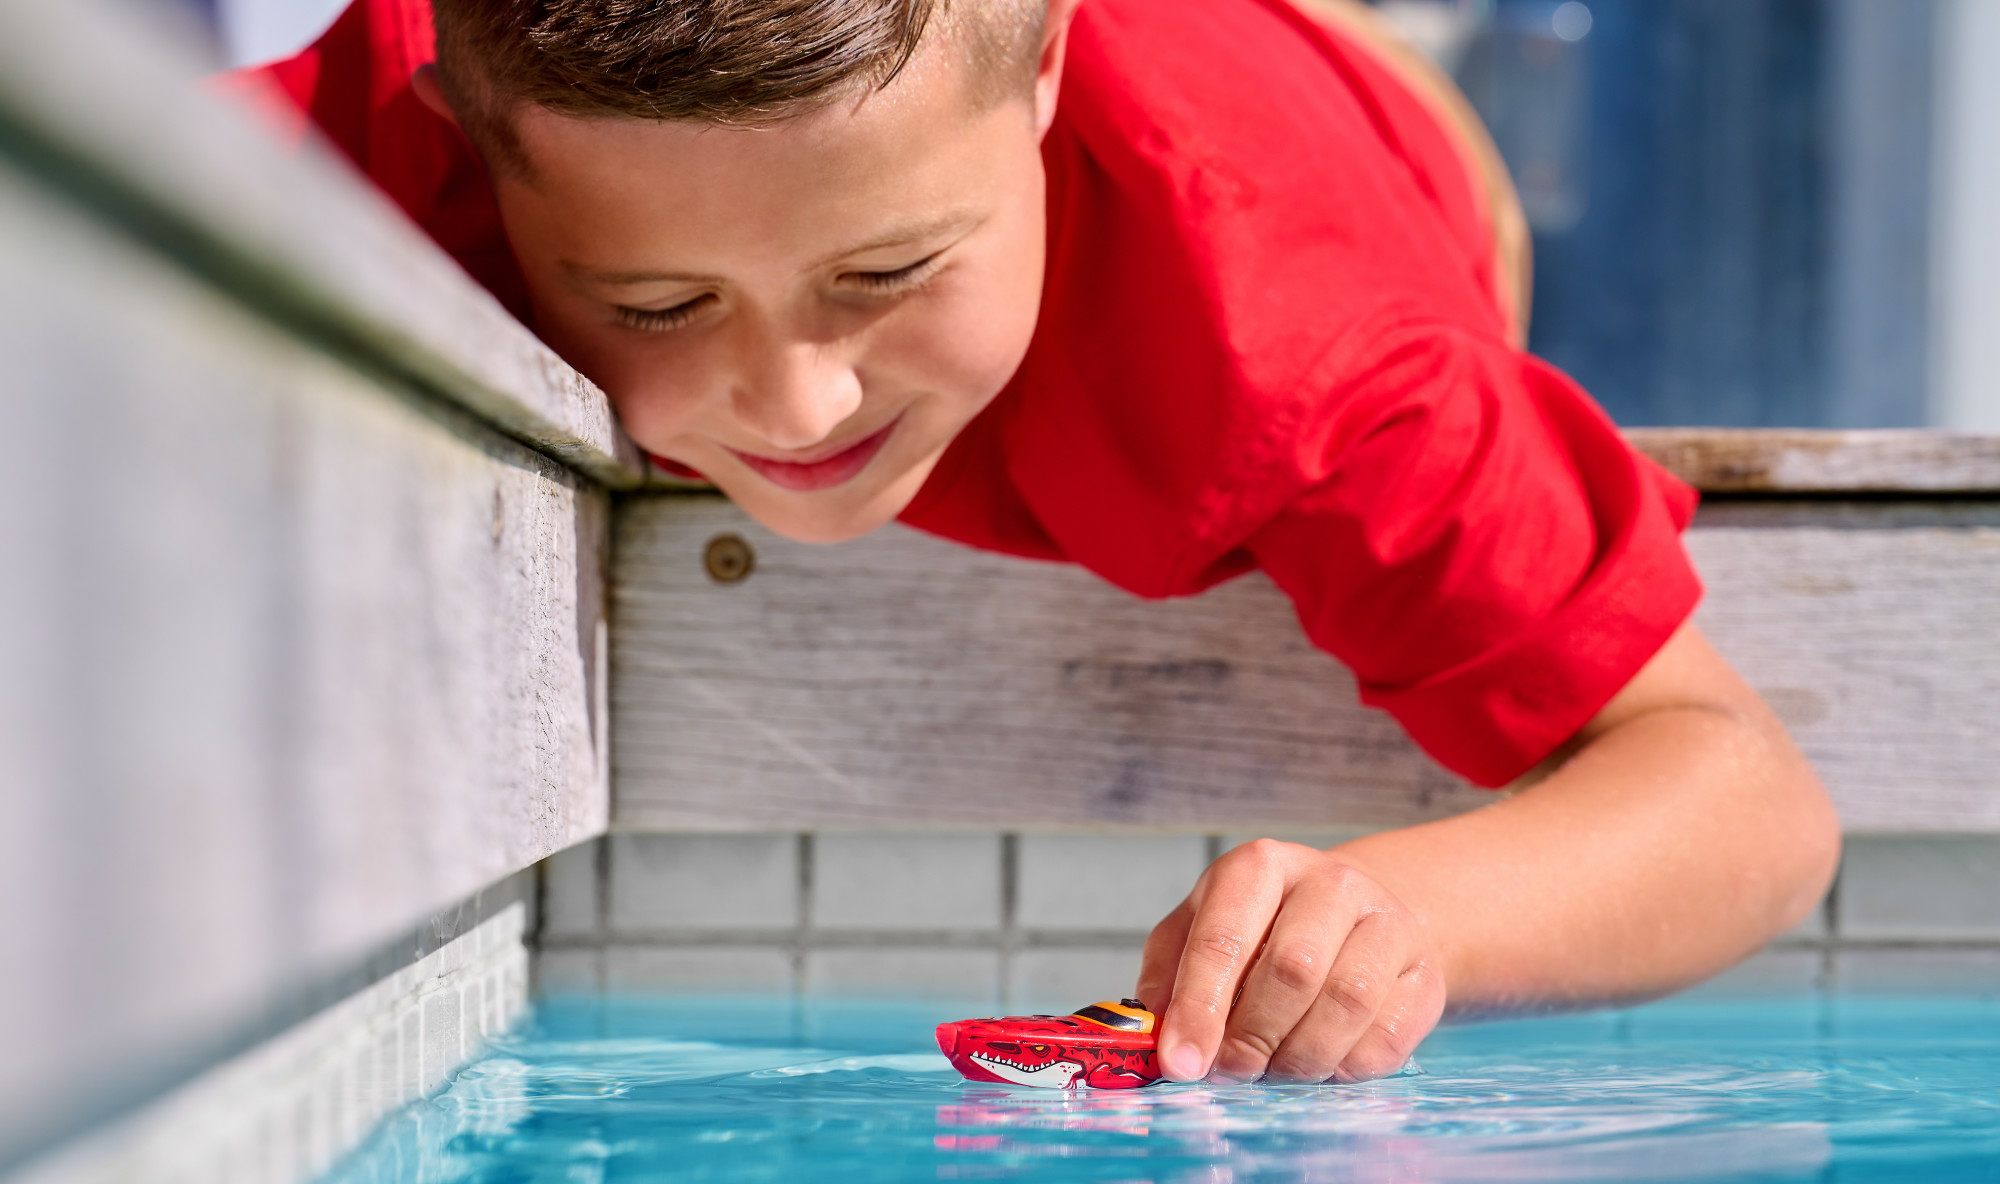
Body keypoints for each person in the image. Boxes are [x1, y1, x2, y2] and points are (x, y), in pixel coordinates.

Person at [224, 0, 1840, 1085]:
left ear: (1046, 75)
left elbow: (1745, 796)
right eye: (654, 302)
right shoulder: (439, 85)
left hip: (1360, 136)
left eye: (884, 274)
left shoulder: (1305, 354)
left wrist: (1406, 918)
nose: (797, 403)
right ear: (461, 133)